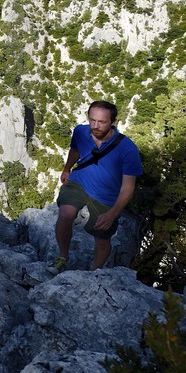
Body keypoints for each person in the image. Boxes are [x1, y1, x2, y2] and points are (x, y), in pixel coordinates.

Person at [53, 100, 142, 271]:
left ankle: (95, 270)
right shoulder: (80, 131)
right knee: (66, 213)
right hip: (79, 182)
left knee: (102, 238)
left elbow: (128, 187)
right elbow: (75, 151)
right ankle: (62, 257)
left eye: (101, 122)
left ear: (113, 122)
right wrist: (66, 169)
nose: (95, 126)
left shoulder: (128, 149)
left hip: (106, 196)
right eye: (92, 120)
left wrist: (112, 213)